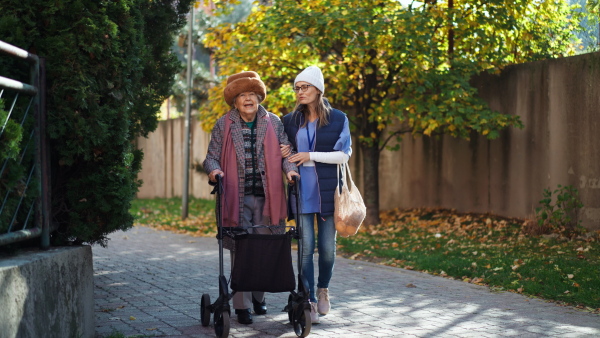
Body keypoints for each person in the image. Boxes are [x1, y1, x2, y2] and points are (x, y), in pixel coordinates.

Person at [203, 71, 298, 325]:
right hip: (236, 196)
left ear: (259, 97)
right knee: (241, 248)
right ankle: (242, 306)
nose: (248, 100)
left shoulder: (273, 121)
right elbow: (211, 156)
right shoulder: (224, 124)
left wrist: (291, 170)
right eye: (242, 95)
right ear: (235, 101)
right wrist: (215, 170)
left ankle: (259, 296)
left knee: (265, 248)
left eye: (252, 95)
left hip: (269, 197)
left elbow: (286, 152)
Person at [282, 66, 352, 324]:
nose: (300, 92)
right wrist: (285, 153)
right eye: (297, 88)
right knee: (305, 249)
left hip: (327, 192)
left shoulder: (338, 118)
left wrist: (310, 155)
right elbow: (286, 152)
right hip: (301, 191)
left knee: (327, 249)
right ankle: (308, 297)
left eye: (305, 87)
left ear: (318, 89)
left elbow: (343, 155)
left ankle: (324, 288)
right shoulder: (289, 120)